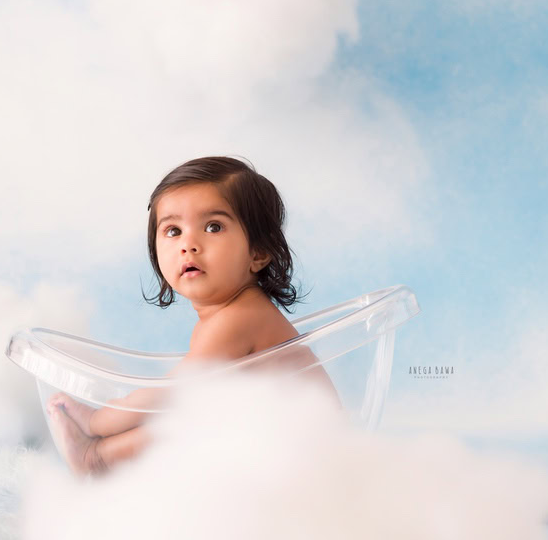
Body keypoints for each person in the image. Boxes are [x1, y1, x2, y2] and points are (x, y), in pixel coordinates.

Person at [45, 155, 341, 476]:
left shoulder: (240, 318)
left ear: (258, 252)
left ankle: (98, 458)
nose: (189, 244)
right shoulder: (226, 315)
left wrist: (96, 421)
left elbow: (167, 395)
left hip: (311, 460)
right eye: (173, 231)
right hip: (284, 451)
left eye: (213, 227)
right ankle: (101, 457)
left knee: (188, 418)